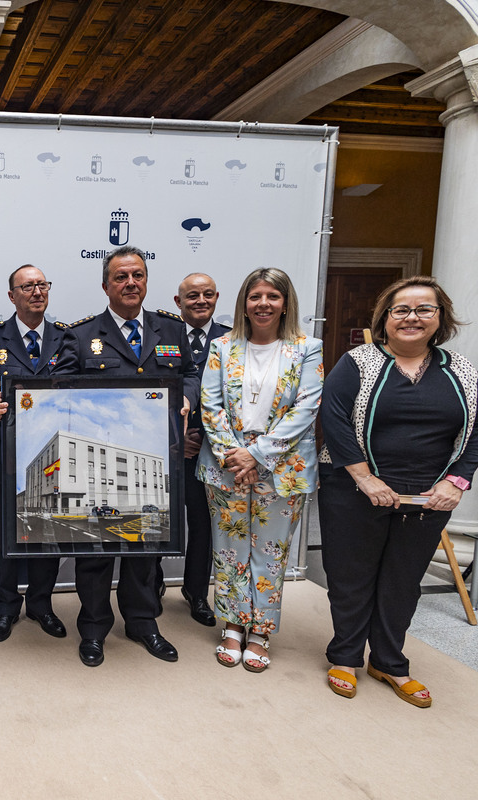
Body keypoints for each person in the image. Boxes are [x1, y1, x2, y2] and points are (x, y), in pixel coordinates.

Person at [320, 276, 478, 706]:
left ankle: (389, 662)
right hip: (354, 489)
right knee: (351, 577)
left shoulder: (462, 371)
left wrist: (455, 482)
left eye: (424, 310)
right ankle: (344, 656)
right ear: (385, 319)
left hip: (429, 498)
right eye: (401, 310)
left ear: (440, 318)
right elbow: (335, 418)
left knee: (403, 580)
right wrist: (365, 478)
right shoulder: (357, 362)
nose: (412, 318)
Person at [52, 245, 198, 667]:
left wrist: (186, 399)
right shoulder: (79, 336)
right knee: (95, 552)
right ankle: (94, 629)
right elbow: (60, 392)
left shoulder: (171, 331)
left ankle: (143, 623)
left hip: (154, 462)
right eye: (121, 277)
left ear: (146, 281)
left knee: (144, 550)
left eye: (137, 275)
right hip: (104, 462)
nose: (130, 283)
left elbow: (189, 372)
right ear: (105, 285)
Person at [198, 267, 322, 673]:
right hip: (226, 466)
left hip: (283, 467)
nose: (263, 304)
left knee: (271, 554)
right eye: (256, 297)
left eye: (272, 296)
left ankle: (261, 631)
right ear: (243, 304)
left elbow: (306, 408)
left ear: (285, 303)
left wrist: (259, 455)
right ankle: (233, 625)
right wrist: (236, 455)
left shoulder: (308, 348)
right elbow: (210, 407)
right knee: (229, 549)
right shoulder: (222, 347)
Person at [0, 265, 66, 642]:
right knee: (2, 537)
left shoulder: (66, 340)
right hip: (3, 454)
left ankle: (41, 604)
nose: (37, 292)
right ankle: (5, 608)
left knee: (47, 533)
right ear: (11, 296)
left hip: (48, 458)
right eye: (27, 286)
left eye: (42, 285)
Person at [167, 272, 229, 627]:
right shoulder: (162, 334)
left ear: (217, 298)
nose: (200, 301)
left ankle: (196, 592)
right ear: (179, 302)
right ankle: (153, 584)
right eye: (192, 296)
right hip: (169, 448)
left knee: (203, 525)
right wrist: (179, 435)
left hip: (209, 452)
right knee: (155, 520)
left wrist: (203, 439)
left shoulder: (233, 340)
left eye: (207, 295)